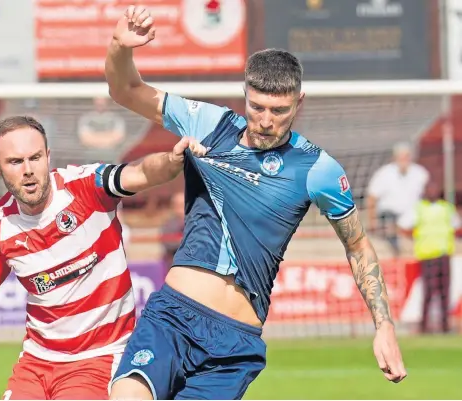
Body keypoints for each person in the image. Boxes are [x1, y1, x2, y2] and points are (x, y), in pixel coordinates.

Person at [105, 5, 407, 400]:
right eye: (257, 107)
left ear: (299, 102)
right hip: (173, 316)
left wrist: (383, 325)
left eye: (279, 111)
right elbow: (125, 89)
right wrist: (119, 46)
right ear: (245, 96)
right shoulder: (209, 124)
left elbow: (358, 245)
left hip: (234, 344)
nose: (265, 120)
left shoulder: (318, 169)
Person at [0, 115, 207, 400]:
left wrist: (170, 159)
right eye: (15, 162)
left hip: (98, 357)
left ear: (48, 156)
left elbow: (140, 174)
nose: (28, 170)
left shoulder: (86, 186)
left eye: (35, 157)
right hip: (36, 363)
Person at [398, 181, 461, 334]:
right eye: (429, 188)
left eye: (435, 188)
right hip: (427, 255)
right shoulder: (419, 208)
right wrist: (414, 237)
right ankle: (425, 326)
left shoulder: (446, 208)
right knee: (428, 292)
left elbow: (456, 227)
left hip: (444, 255)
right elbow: (403, 226)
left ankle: (445, 325)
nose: (432, 191)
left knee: (445, 291)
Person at [366, 142, 429, 258]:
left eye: (406, 156)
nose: (404, 159)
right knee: (391, 226)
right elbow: (372, 197)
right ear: (395, 157)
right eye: (401, 156)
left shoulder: (420, 173)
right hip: (390, 217)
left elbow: (428, 195)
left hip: (413, 218)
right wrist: (372, 221)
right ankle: (397, 254)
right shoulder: (384, 173)